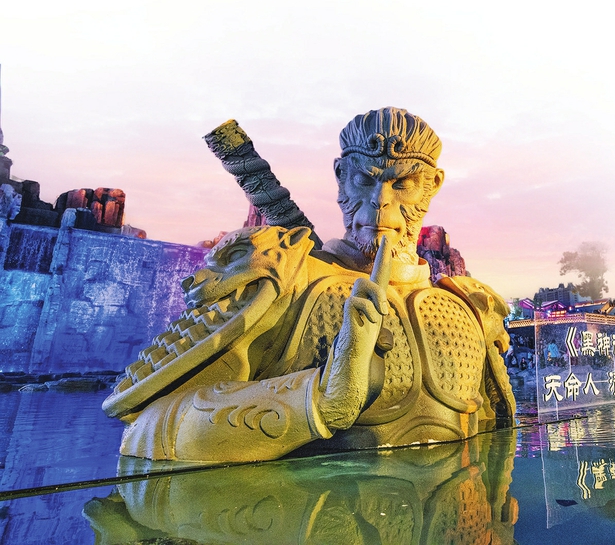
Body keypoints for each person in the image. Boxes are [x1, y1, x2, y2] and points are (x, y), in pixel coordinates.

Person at [103, 107, 516, 462]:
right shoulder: (282, 283)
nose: (381, 200)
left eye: (401, 184)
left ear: (433, 185)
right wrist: (317, 400)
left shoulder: (469, 306)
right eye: (365, 180)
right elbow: (150, 430)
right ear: (341, 176)